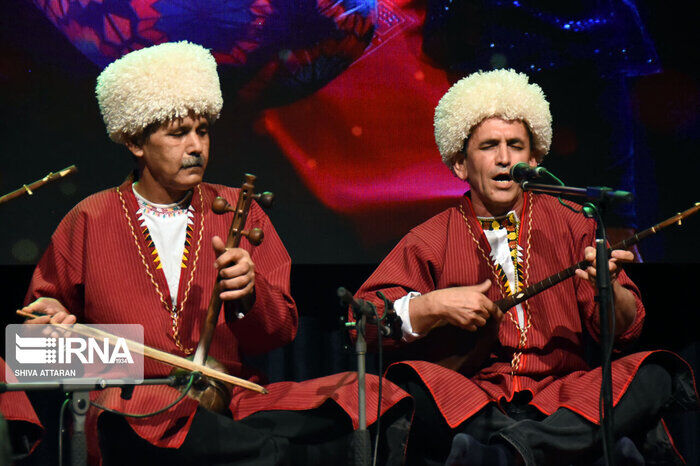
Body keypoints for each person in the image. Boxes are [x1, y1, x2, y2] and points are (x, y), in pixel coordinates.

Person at [21, 41, 410, 465]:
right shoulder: (89, 219)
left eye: (202, 130)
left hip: (232, 401)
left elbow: (281, 332)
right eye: (178, 133)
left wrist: (250, 294)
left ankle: (270, 453)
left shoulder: (238, 210)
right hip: (138, 413)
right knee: (178, 429)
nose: (196, 146)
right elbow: (36, 353)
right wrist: (51, 326)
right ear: (136, 141)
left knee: (367, 397)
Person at [354, 69, 698, 465]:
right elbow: (362, 317)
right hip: (474, 400)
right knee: (405, 385)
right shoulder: (430, 237)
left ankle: (515, 450)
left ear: (533, 159)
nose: (504, 158)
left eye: (515, 145)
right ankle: (549, 444)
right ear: (460, 164)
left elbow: (624, 329)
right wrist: (433, 306)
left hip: (567, 398)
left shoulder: (575, 222)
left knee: (655, 374)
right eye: (489, 146)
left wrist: (611, 289)